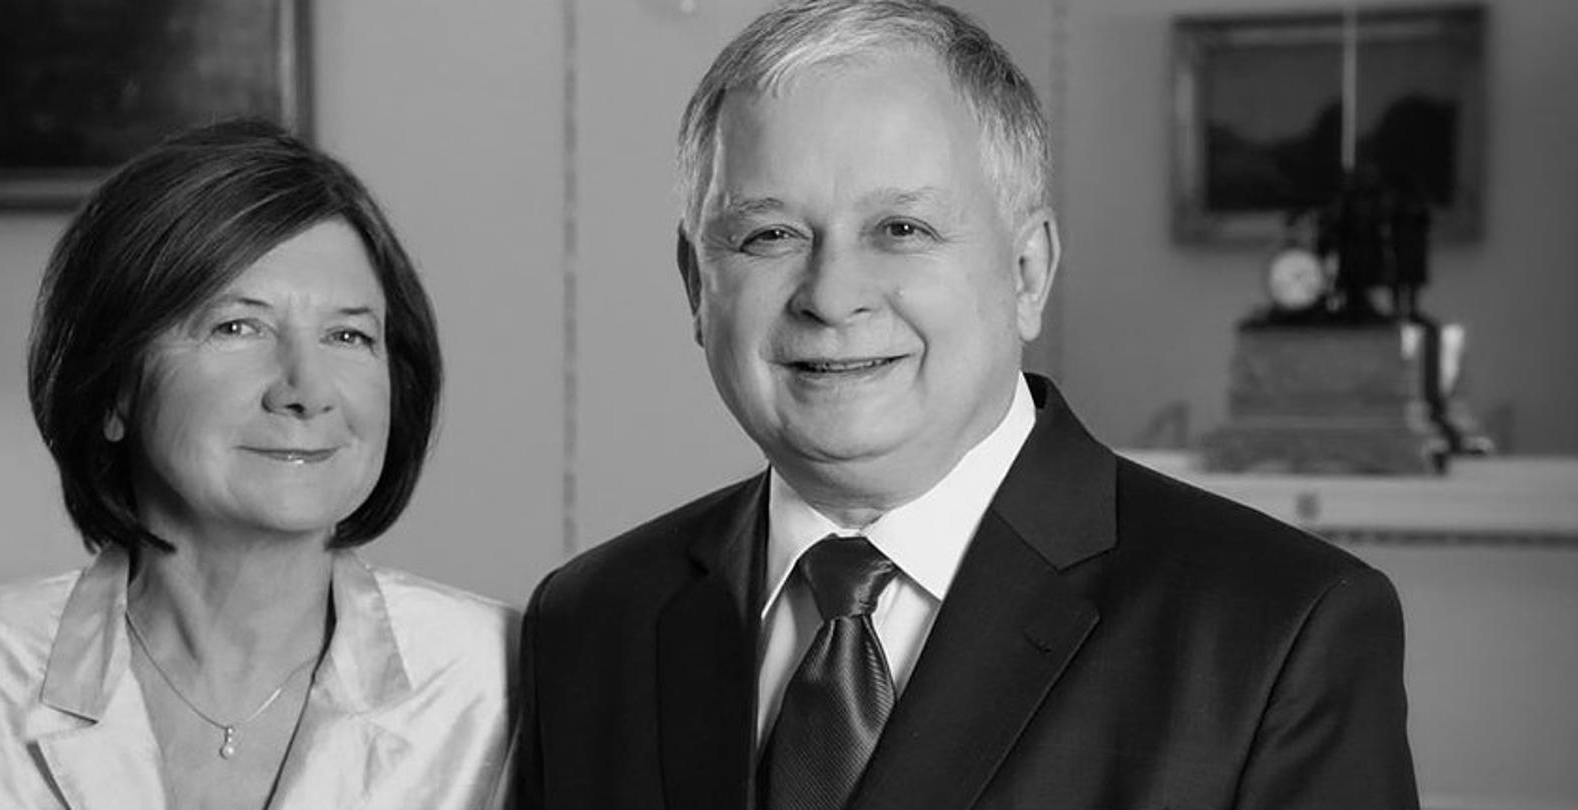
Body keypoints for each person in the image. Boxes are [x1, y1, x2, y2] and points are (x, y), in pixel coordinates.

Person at [514, 1, 1419, 808]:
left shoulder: (1276, 631)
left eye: (900, 230)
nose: (832, 296)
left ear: (1028, 273)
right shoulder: (592, 622)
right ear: (694, 285)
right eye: (769, 235)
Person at [0, 120, 515, 809]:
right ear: (115, 389)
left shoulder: (501, 681)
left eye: (348, 334)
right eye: (237, 327)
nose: (306, 390)